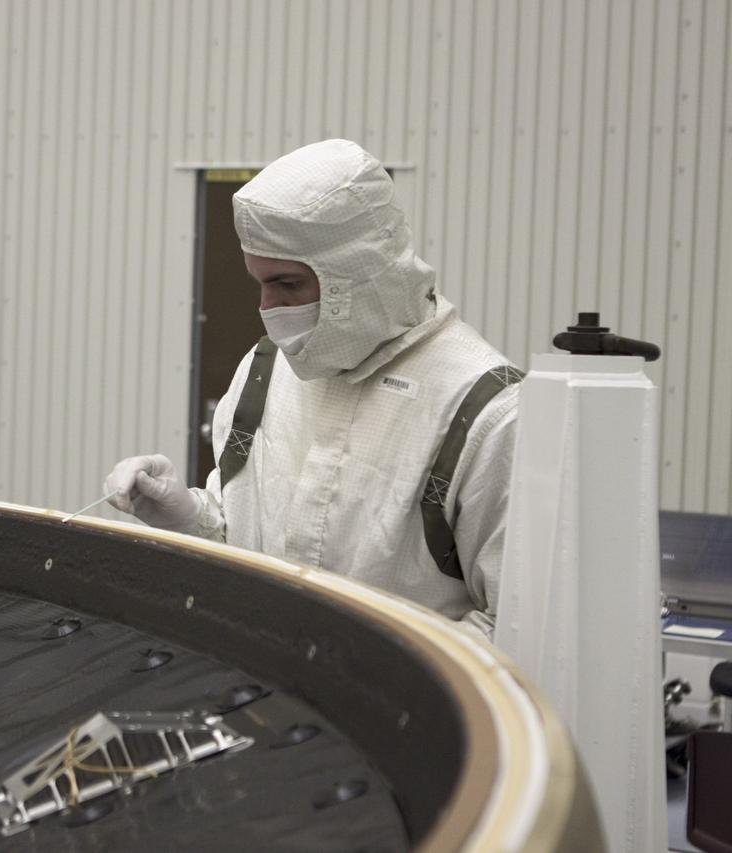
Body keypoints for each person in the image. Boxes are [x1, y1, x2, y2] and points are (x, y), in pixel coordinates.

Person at [104, 139, 519, 637]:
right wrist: (186, 516)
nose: (269, 308)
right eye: (259, 284)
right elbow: (248, 542)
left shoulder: (484, 409)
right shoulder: (267, 370)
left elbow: (512, 625)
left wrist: (363, 674)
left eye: (287, 284)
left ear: (357, 275)